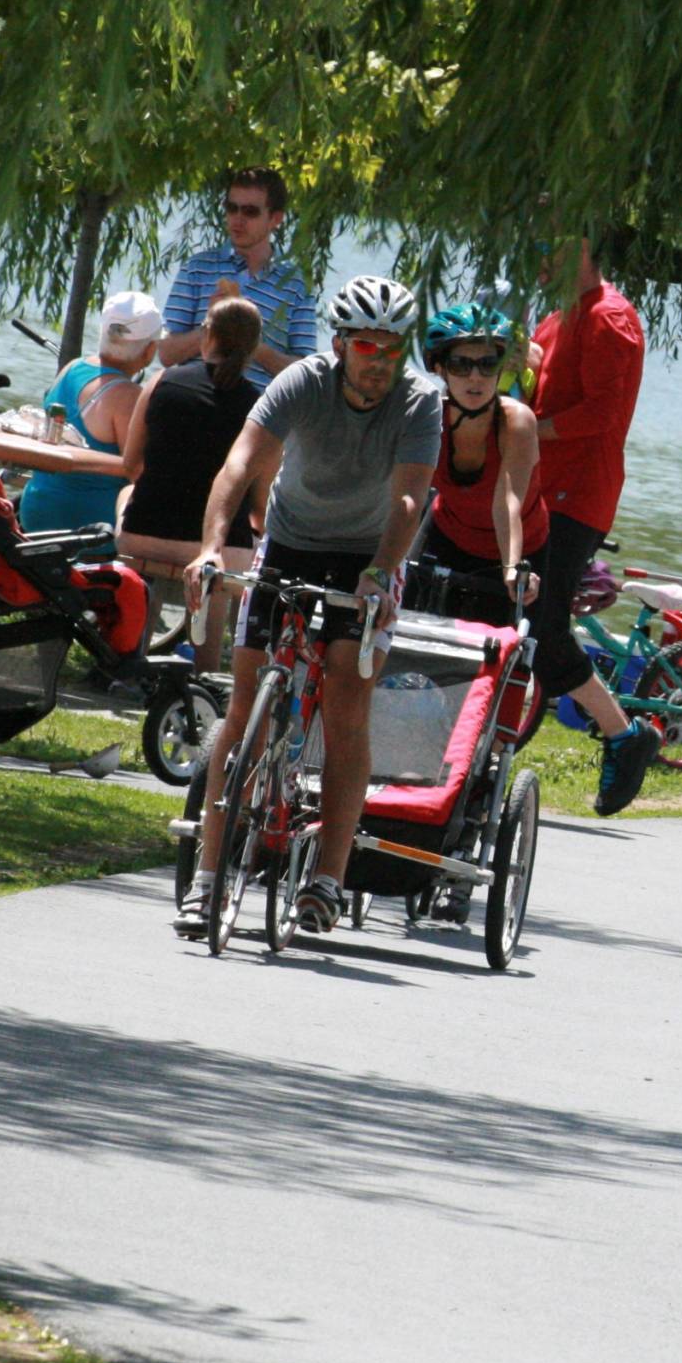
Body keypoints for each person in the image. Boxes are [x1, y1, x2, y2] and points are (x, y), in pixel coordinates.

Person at [181, 276, 443, 937]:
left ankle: (328, 875)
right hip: (290, 542)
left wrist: (380, 574)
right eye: (366, 345)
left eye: (392, 346)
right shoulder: (302, 381)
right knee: (244, 700)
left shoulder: (420, 401)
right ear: (340, 343)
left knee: (347, 700)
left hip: (368, 555)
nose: (380, 359)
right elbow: (239, 465)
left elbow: (409, 498)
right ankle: (207, 878)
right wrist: (211, 549)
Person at [519, 235, 660, 813]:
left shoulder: (609, 317)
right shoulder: (557, 316)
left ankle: (625, 734)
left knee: (544, 626)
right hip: (537, 491)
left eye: (548, 244)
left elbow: (602, 412)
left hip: (576, 497)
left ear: (583, 245)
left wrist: (530, 430)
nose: (537, 255)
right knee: (517, 618)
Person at [117, 283, 263, 669]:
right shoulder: (259, 406)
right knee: (226, 563)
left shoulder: (162, 381)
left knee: (127, 493)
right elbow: (261, 502)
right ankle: (206, 671)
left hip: (145, 535)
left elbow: (130, 465)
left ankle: (129, 659)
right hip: (220, 548)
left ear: (207, 334)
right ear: (253, 347)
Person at [417, 302, 542, 627]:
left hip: (518, 549)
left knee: (530, 642)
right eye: (460, 365)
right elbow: (404, 491)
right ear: (439, 368)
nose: (475, 377)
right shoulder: (426, 416)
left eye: (488, 364)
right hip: (449, 535)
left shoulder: (517, 421)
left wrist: (512, 568)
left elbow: (507, 502)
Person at [155, 167, 318, 388]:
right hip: (195, 398)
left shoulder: (296, 284)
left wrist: (249, 342)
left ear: (275, 218)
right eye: (232, 208)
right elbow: (166, 353)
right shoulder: (198, 268)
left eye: (250, 211)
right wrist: (212, 326)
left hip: (257, 406)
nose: (238, 220)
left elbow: (305, 374)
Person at [17, 292, 159, 533]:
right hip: (88, 525)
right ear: (149, 350)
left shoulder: (72, 368)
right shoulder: (128, 396)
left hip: (34, 512)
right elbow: (138, 472)